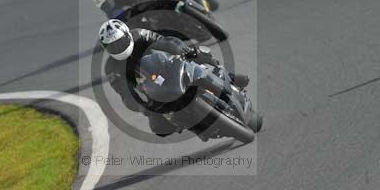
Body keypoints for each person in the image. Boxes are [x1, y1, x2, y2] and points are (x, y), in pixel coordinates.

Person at [98, 19, 259, 137]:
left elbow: (165, 42)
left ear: (127, 34)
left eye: (120, 42)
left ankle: (229, 79)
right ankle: (198, 128)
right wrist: (141, 106)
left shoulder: (140, 35)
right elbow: (124, 93)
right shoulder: (111, 68)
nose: (118, 47)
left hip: (168, 67)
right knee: (159, 128)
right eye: (113, 46)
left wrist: (184, 50)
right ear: (106, 48)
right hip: (150, 91)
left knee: (198, 57)